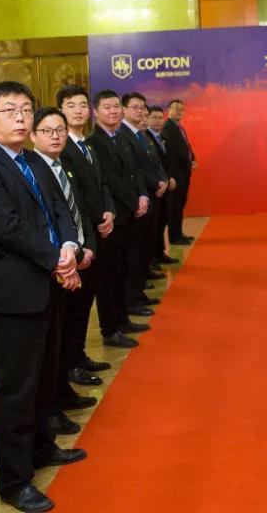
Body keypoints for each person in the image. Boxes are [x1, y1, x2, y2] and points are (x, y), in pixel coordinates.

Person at [0, 81, 85, 513]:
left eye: (26, 110)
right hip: (13, 295)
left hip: (49, 286)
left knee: (46, 376)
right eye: (10, 110)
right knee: (17, 389)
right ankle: (14, 481)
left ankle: (42, 447)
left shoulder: (33, 159)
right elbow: (7, 227)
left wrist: (68, 247)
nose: (20, 117)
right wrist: (57, 260)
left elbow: (61, 210)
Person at [29, 107, 99, 432]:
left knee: (69, 329)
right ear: (33, 135)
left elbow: (77, 209)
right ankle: (53, 406)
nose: (56, 136)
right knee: (52, 343)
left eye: (60, 130)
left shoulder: (63, 165)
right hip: (54, 267)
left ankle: (64, 391)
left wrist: (86, 245)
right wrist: (64, 258)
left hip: (75, 255)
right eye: (47, 131)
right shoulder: (35, 170)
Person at [56, 85, 116, 381]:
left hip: (97, 230)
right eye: (71, 105)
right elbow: (74, 196)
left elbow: (101, 184)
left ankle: (79, 355)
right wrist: (93, 221)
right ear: (61, 111)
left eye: (82, 105)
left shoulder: (87, 145)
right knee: (75, 306)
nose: (78, 110)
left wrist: (109, 212)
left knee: (86, 301)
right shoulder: (61, 147)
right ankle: (71, 363)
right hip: (80, 237)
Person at [89, 89, 148, 348]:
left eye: (116, 106)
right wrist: (134, 201)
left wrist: (142, 196)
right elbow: (110, 179)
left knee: (124, 269)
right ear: (96, 111)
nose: (113, 111)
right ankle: (110, 329)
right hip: (114, 216)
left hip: (130, 214)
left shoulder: (121, 137)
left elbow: (135, 171)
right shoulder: (95, 141)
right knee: (109, 274)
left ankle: (123, 320)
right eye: (107, 107)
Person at [120, 92, 166, 315]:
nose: (141, 111)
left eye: (143, 108)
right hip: (136, 200)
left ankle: (139, 292)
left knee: (143, 246)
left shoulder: (141, 134)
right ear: (124, 110)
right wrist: (154, 183)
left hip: (149, 196)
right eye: (135, 107)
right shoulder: (123, 134)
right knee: (134, 251)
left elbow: (153, 162)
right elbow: (134, 169)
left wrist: (161, 179)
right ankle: (133, 297)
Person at [162, 98, 196, 244]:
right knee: (175, 206)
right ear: (168, 110)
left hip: (184, 172)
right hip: (176, 174)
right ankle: (174, 237)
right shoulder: (168, 128)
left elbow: (186, 146)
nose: (178, 111)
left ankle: (179, 233)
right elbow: (170, 153)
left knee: (180, 205)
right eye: (175, 108)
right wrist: (170, 175)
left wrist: (192, 158)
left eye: (181, 109)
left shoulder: (179, 127)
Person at [147, 105, 177, 265]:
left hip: (165, 184)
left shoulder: (162, 137)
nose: (158, 121)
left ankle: (160, 253)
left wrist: (169, 178)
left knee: (163, 221)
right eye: (154, 117)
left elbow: (166, 161)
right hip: (155, 187)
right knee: (154, 224)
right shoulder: (146, 137)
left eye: (160, 118)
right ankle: (153, 257)